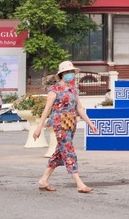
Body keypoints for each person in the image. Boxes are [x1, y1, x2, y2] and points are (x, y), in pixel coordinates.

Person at [34, 60, 98, 193]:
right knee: (68, 151)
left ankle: (43, 179)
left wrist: (90, 124)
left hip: (71, 123)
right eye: (68, 72)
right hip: (59, 124)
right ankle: (79, 183)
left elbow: (79, 108)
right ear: (62, 74)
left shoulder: (73, 89)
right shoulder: (54, 90)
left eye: (72, 72)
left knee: (59, 152)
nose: (71, 74)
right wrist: (39, 127)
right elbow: (47, 109)